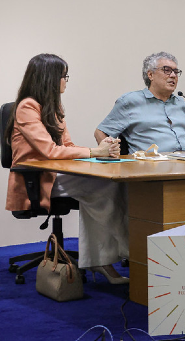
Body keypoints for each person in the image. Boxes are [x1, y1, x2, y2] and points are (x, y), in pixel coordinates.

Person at [5, 53, 129, 284]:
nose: (66, 81)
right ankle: (114, 256)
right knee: (105, 187)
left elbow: (68, 147)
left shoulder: (54, 106)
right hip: (36, 179)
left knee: (109, 187)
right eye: (64, 76)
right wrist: (95, 152)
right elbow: (50, 152)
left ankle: (102, 258)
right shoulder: (27, 107)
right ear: (48, 78)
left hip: (57, 174)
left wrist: (103, 149)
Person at [94, 52, 185, 153]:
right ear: (150, 75)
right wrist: (109, 154)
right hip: (150, 166)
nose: (173, 75)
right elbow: (100, 132)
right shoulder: (130, 101)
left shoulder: (180, 103)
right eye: (167, 70)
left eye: (176, 72)